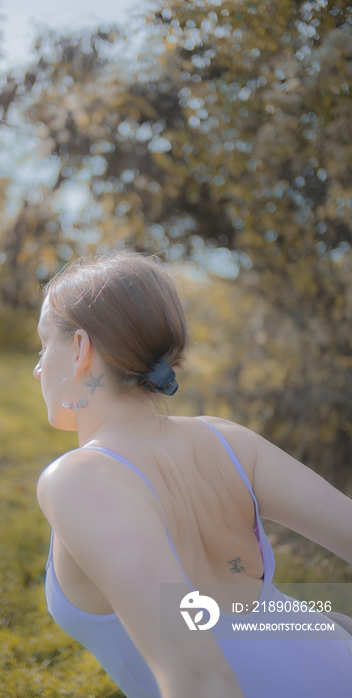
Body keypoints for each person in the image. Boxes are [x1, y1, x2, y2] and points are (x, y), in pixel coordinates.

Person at [33, 251, 352, 698]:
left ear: (81, 349)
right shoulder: (227, 438)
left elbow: (203, 680)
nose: (38, 367)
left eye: (44, 344)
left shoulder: (78, 480)